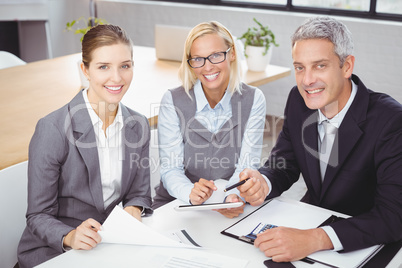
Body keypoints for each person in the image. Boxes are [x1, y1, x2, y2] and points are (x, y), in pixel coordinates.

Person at [237, 16, 402, 262]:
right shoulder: (298, 100)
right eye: (300, 67)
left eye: (320, 66)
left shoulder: (391, 120)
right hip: (310, 219)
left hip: (366, 243)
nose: (307, 80)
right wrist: (264, 182)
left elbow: (393, 215)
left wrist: (314, 239)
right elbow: (285, 162)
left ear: (347, 66)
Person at [17, 24, 153, 267]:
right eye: (103, 67)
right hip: (57, 253)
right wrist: (69, 236)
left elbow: (139, 192)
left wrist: (134, 207)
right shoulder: (53, 129)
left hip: (107, 247)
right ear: (85, 70)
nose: (117, 78)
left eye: (125, 65)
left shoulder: (138, 124)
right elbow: (38, 216)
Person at [152, 21, 266, 218]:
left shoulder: (254, 98)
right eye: (198, 59)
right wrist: (191, 193)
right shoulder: (172, 100)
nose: (207, 67)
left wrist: (231, 197)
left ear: (231, 54)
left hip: (230, 202)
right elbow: (171, 169)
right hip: (179, 204)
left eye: (215, 56)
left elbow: (247, 165)